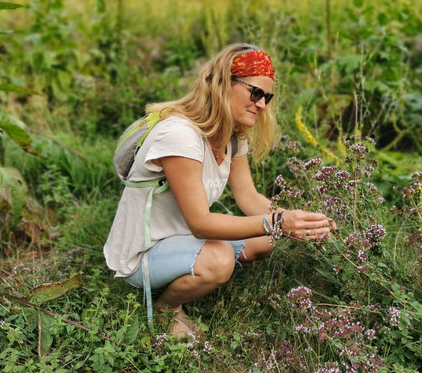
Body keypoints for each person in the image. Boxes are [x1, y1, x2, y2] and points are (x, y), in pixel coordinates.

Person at [104, 43, 336, 336]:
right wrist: (277, 222)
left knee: (270, 239)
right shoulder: (180, 136)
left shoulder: (233, 136)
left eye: (267, 97)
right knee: (220, 258)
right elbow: (201, 223)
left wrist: (300, 222)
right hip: (142, 254)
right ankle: (167, 309)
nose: (262, 104)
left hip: (182, 238)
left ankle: (196, 268)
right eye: (255, 93)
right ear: (223, 83)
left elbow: (248, 197)